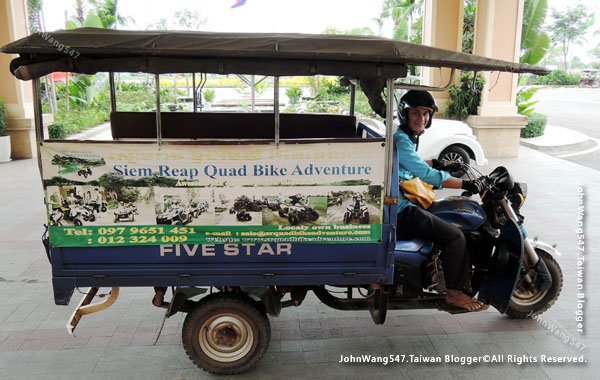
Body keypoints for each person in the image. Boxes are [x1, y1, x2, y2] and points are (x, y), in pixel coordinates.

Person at [394, 90, 485, 312]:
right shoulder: (401, 139)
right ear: (405, 114)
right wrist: (466, 184)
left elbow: (410, 165)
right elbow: (425, 174)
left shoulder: (405, 138)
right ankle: (454, 293)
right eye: (416, 113)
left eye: (426, 114)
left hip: (402, 200)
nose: (421, 119)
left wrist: (437, 162)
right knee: (454, 237)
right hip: (400, 208)